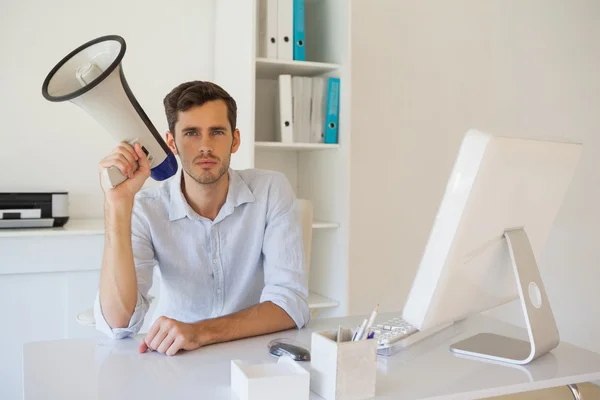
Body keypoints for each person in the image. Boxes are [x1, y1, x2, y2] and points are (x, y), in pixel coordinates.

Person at [93, 80, 310, 356]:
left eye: (217, 132)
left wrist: (201, 332)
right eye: (192, 133)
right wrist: (117, 205)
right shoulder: (146, 209)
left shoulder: (271, 190)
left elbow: (291, 303)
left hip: (251, 353)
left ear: (235, 139)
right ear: (171, 142)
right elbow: (118, 324)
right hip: (174, 357)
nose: (205, 146)